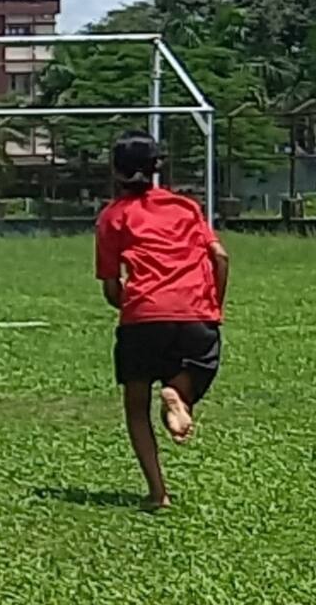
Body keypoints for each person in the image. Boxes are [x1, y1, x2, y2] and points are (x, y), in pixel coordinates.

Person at [95, 131, 230, 512]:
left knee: (136, 406)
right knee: (197, 369)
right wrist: (213, 305)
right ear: (157, 168)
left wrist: (131, 306)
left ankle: (158, 493)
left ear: (115, 171)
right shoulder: (186, 207)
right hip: (196, 313)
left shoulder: (113, 216)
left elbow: (111, 286)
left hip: (143, 314)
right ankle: (178, 394)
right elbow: (220, 257)